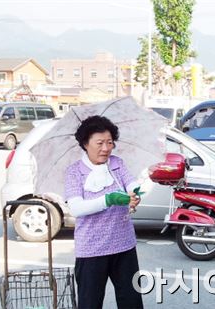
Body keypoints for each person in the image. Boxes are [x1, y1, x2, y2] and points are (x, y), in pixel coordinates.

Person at [64, 115, 143, 309]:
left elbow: (131, 182)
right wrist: (107, 200)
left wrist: (134, 192)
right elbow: (76, 208)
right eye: (99, 143)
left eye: (109, 142)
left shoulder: (117, 164)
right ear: (85, 143)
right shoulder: (74, 172)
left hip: (124, 245)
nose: (106, 148)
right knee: (90, 303)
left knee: (131, 301)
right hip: (91, 249)